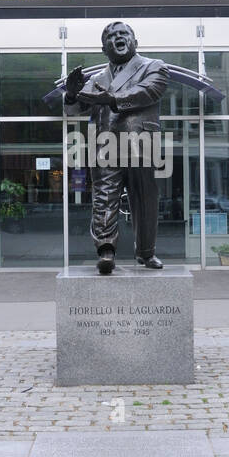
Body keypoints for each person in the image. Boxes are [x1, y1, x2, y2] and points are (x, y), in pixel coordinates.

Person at [63, 21, 169, 274]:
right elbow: (74, 109)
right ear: (104, 48)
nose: (118, 38)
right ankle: (106, 249)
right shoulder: (98, 78)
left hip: (141, 144)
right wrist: (71, 94)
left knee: (145, 200)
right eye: (111, 36)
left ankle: (146, 252)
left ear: (135, 41)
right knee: (104, 197)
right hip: (105, 145)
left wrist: (110, 99)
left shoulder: (153, 67)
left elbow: (148, 92)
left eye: (123, 34)